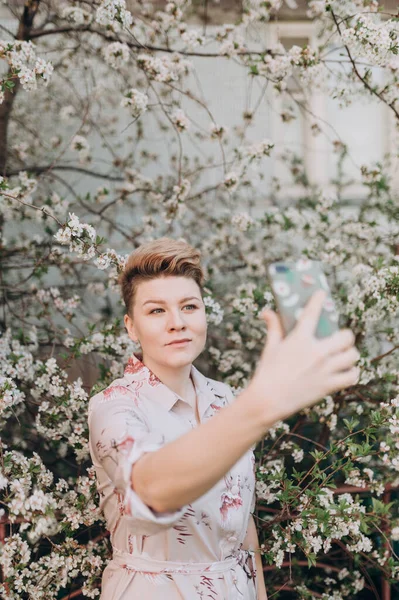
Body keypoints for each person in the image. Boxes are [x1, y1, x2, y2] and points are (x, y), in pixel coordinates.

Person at [87, 237, 360, 600]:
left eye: (189, 306)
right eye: (156, 311)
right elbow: (150, 488)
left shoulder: (224, 398)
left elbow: (241, 521)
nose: (177, 323)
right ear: (131, 327)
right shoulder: (114, 406)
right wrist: (261, 404)